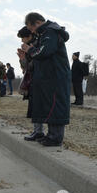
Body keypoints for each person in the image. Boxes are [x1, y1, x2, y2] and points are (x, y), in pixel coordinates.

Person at [21, 13, 71, 147]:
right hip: (48, 77)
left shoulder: (51, 32)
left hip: (56, 76)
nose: (32, 31)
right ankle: (50, 135)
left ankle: (55, 137)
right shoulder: (44, 33)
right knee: (49, 105)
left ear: (37, 22)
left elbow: (44, 51)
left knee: (56, 105)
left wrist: (30, 49)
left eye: (31, 28)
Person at [17, 26, 45, 142]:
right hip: (33, 80)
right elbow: (25, 68)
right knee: (34, 106)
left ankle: (39, 132)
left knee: (38, 106)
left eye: (23, 38)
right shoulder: (29, 47)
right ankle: (37, 130)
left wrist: (29, 52)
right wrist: (22, 58)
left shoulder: (37, 45)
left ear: (29, 36)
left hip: (40, 80)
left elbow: (34, 65)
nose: (22, 42)